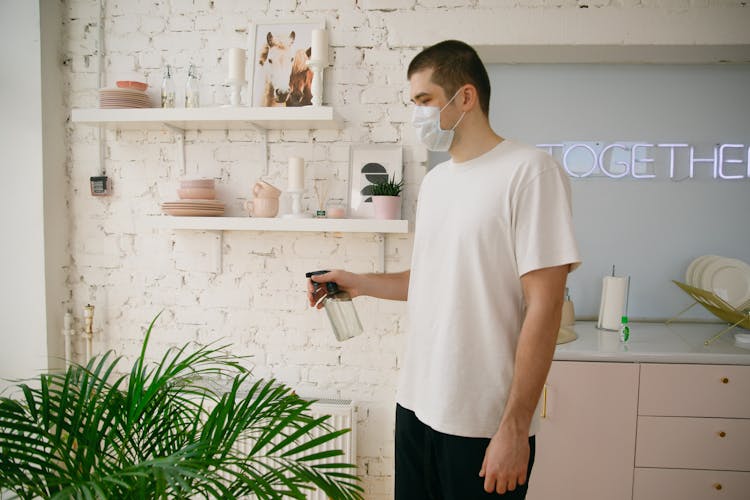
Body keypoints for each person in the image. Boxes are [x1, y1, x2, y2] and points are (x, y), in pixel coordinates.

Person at [307, 40, 581, 499]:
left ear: (466, 98)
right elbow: (435, 280)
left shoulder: (530, 172)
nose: (417, 114)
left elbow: (546, 307)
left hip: (482, 421)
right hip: (416, 405)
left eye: (424, 101)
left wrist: (514, 428)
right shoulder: (436, 183)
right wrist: (359, 283)